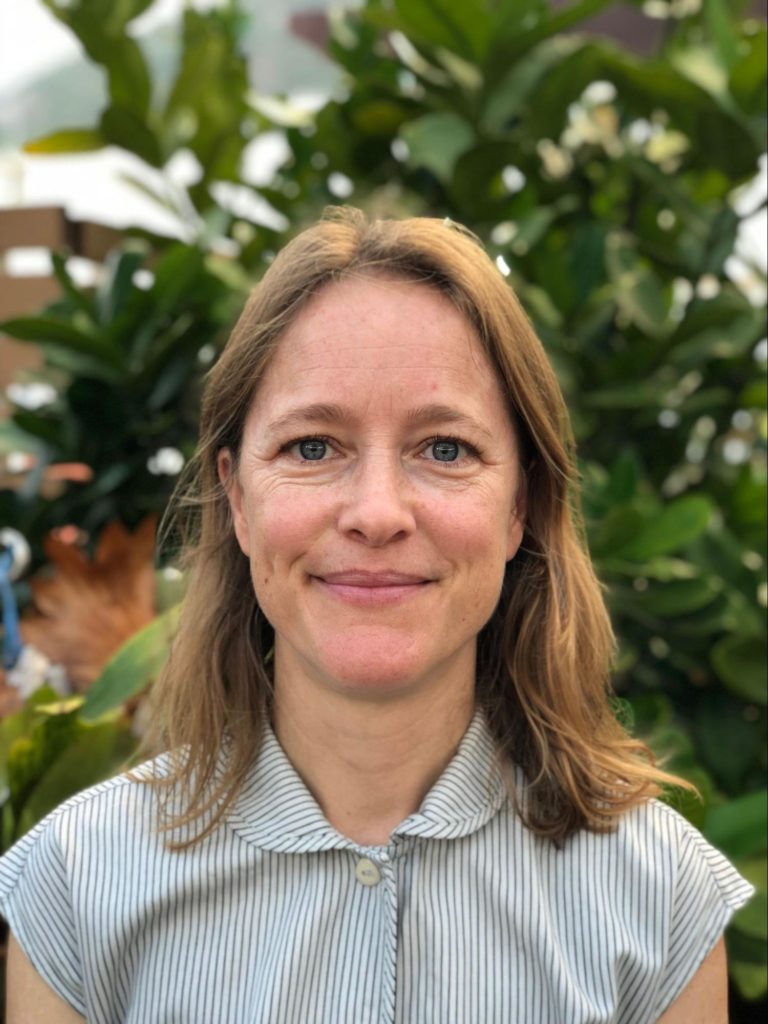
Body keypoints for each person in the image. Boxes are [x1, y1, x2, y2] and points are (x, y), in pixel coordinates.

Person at [0, 209, 753, 1023]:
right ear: (239, 500)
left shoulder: (661, 905)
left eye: (445, 449)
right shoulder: (76, 886)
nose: (377, 513)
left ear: (519, 509)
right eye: (313, 447)